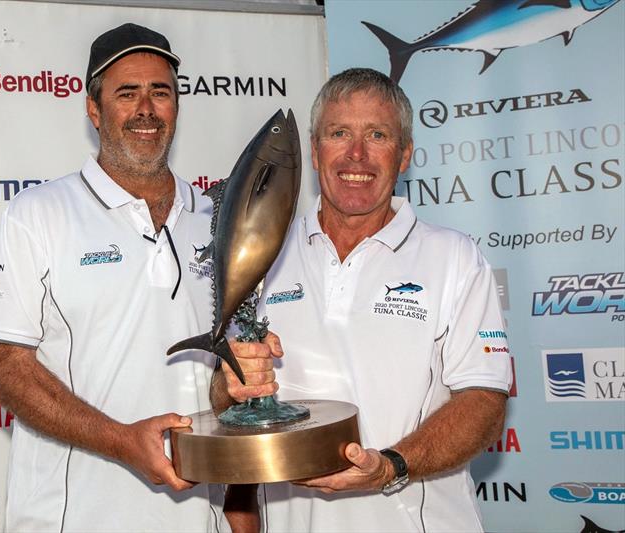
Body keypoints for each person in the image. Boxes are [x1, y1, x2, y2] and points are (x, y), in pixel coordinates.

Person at [214, 68, 512, 532]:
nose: (357, 154)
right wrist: (232, 384)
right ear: (313, 151)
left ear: (405, 154)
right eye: (338, 134)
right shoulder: (262, 257)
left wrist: (390, 465)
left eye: (377, 134)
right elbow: (226, 401)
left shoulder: (454, 257)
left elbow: (485, 402)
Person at [0, 23, 220, 532]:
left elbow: (221, 378)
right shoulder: (37, 213)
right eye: (126, 93)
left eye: (161, 92)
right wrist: (121, 439)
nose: (146, 109)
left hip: (201, 514)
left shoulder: (214, 216)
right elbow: (5, 369)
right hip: (75, 516)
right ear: (94, 110)